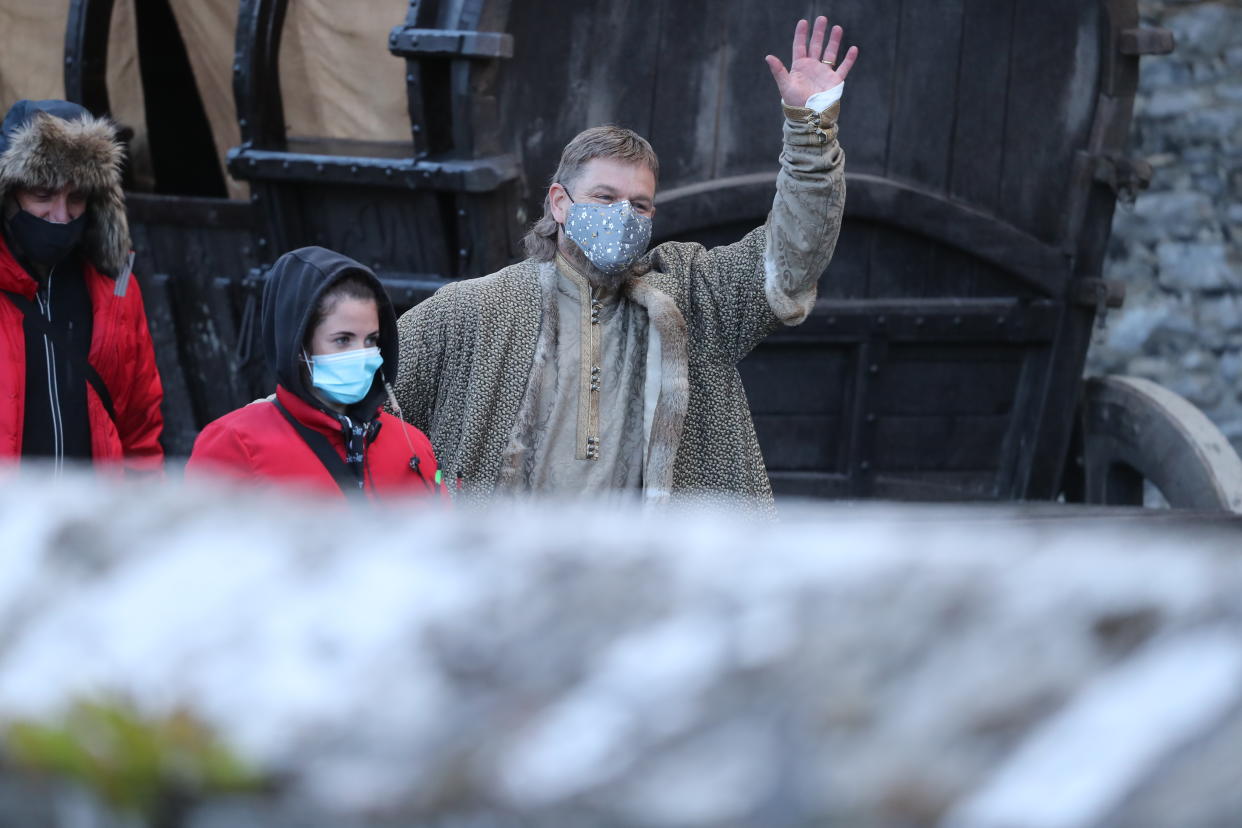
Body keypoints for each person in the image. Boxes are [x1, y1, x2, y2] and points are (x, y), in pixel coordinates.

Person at [394, 17, 856, 507]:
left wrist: (811, 132)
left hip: (648, 576)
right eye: (604, 196)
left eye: (638, 205)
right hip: (512, 574)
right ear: (559, 202)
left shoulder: (693, 294)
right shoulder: (473, 311)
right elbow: (363, 413)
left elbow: (790, 256)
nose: (622, 215)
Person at [187, 246, 440, 500]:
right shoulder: (235, 446)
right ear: (298, 346)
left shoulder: (411, 446)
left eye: (371, 340)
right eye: (343, 340)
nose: (362, 355)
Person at [0, 99, 163, 472]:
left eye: (76, 198)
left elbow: (139, 428)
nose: (61, 215)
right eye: (42, 194)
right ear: (9, 193)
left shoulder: (116, 291)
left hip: (90, 522)